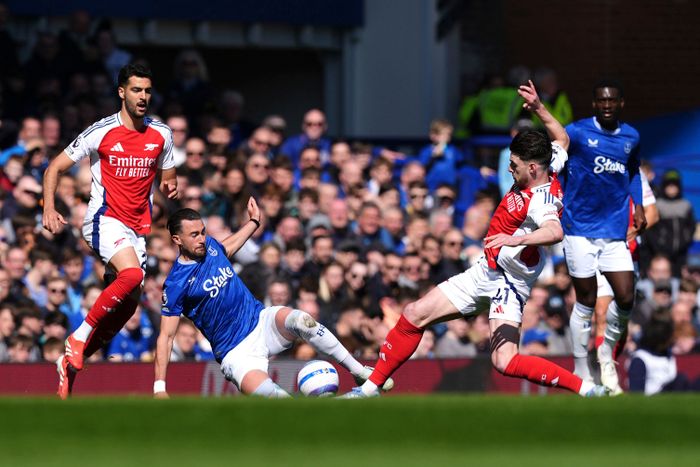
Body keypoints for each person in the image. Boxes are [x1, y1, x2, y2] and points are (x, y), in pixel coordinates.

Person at [346, 80, 607, 398]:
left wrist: (515, 240)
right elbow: (562, 138)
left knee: (504, 361)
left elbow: (555, 231)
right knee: (414, 313)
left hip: (509, 283)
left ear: (532, 167)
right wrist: (539, 107)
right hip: (485, 271)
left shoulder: (541, 200)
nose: (509, 168)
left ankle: (585, 388)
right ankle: (369, 389)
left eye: (514, 165)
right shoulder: (548, 162)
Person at [153, 199, 393, 398]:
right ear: (177, 240)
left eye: (203, 232)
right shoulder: (175, 285)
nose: (202, 239)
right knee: (277, 403)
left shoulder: (210, 247)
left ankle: (359, 371)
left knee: (301, 320)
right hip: (235, 351)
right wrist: (159, 387)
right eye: (194, 235)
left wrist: (254, 222)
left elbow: (229, 247)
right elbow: (166, 337)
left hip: (260, 321)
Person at [42, 63, 178, 399]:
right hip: (103, 219)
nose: (143, 97)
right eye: (136, 90)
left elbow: (168, 175)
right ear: (121, 92)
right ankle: (77, 338)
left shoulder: (162, 134)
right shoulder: (101, 131)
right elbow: (54, 167)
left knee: (129, 307)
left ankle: (71, 362)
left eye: (147, 91)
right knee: (132, 275)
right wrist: (49, 207)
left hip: (137, 230)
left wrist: (169, 185)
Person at [562, 79, 645, 395]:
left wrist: (638, 205)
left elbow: (633, 171)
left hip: (612, 231)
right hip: (579, 229)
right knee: (586, 300)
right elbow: (558, 161)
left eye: (612, 100)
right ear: (594, 103)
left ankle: (606, 351)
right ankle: (581, 368)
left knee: (626, 297)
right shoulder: (577, 132)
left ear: (620, 103)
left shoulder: (631, 136)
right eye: (601, 100)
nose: (606, 105)